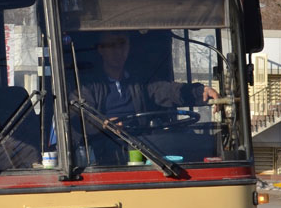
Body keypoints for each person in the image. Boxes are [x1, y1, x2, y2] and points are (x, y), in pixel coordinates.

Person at [70, 31, 218, 165]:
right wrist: (102, 124)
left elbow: (166, 91)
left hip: (143, 149)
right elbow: (80, 114)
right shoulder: (88, 85)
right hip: (105, 154)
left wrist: (200, 92)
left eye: (122, 44)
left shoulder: (139, 82)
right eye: (112, 45)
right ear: (101, 49)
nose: (118, 51)